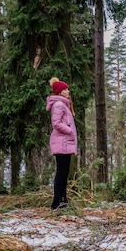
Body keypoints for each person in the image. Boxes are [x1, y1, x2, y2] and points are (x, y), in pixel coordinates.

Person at [46, 77, 77, 209]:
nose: (68, 91)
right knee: (61, 173)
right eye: (65, 89)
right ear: (59, 92)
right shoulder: (59, 105)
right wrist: (69, 130)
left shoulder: (63, 104)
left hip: (65, 142)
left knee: (64, 173)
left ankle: (62, 200)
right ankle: (57, 202)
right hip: (62, 142)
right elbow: (56, 123)